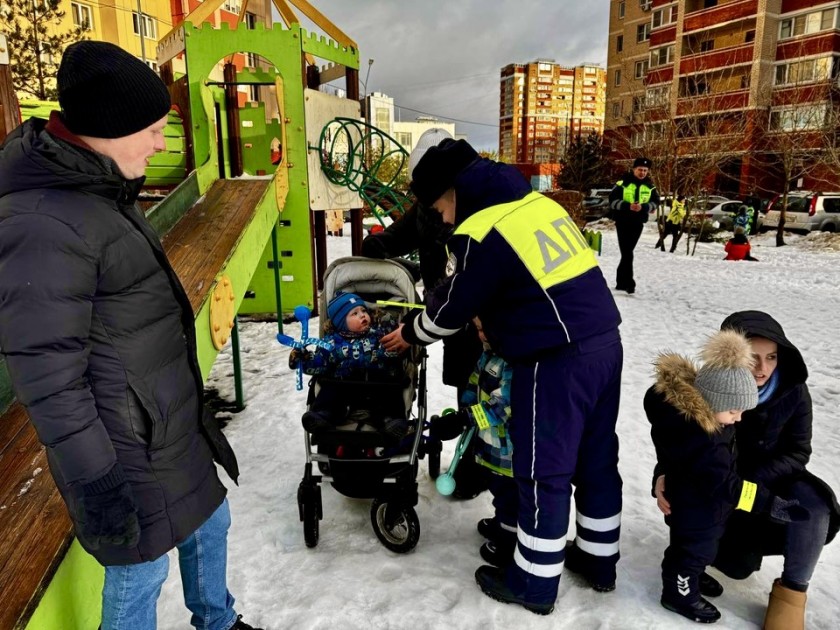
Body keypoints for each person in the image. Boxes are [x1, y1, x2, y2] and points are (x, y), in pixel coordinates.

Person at [0, 42, 260, 630]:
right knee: (139, 570)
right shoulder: (43, 222)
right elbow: (49, 378)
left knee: (210, 520)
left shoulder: (97, 189)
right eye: (152, 129)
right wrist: (98, 483)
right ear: (106, 129)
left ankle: (217, 622)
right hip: (121, 445)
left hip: (163, 421)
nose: (161, 144)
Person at [381, 139, 624, 615]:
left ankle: (532, 583)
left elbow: (454, 306)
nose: (444, 219)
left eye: (440, 206)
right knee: (596, 456)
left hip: (554, 357)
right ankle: (598, 560)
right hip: (604, 341)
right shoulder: (533, 204)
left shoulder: (483, 227)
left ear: (452, 190)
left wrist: (412, 332)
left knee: (541, 471)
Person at [655, 311, 840, 630]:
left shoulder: (794, 391)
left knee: (815, 506)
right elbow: (682, 438)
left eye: (772, 357)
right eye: (754, 357)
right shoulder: (714, 389)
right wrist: (662, 472)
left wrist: (752, 485)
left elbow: (799, 451)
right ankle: (683, 586)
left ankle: (791, 595)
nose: (764, 368)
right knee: (710, 553)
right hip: (718, 488)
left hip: (758, 481)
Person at [362, 127, 486, 498]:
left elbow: (469, 276)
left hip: (475, 316)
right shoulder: (425, 209)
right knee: (466, 389)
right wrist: (377, 245)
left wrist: (420, 326)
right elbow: (400, 234)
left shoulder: (472, 207)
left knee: (480, 392)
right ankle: (470, 459)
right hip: (443, 306)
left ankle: (474, 469)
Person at [430, 318, 517, 565]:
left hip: (508, 450)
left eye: (483, 329)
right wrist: (462, 412)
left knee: (510, 497)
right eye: (477, 329)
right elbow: (473, 384)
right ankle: (503, 523)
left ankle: (508, 544)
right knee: (498, 489)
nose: (479, 335)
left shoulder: (513, 363)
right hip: (489, 444)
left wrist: (467, 417)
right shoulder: (488, 354)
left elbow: (501, 406)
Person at [289, 292, 408, 441]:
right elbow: (320, 364)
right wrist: (303, 360)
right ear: (341, 322)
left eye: (364, 311)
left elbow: (395, 350)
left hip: (378, 384)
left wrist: (395, 332)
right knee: (329, 389)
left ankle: (392, 420)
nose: (362, 315)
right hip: (345, 387)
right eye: (355, 313)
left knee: (391, 391)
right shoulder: (332, 342)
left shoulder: (379, 335)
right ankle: (322, 415)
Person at [609, 156, 660, 293]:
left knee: (627, 252)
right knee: (627, 252)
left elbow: (656, 202)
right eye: (640, 170)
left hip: (638, 222)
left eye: (645, 170)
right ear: (633, 169)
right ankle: (629, 282)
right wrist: (628, 206)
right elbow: (612, 201)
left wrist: (644, 207)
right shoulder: (622, 183)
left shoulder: (650, 186)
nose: (642, 173)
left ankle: (621, 282)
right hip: (623, 221)